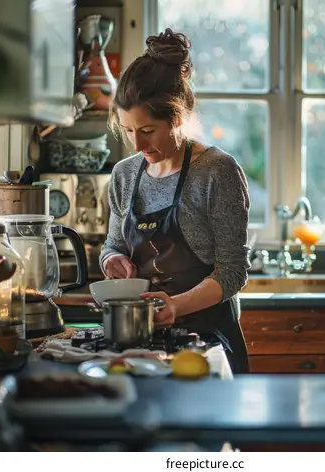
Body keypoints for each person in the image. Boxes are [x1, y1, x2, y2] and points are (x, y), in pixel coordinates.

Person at [99, 28, 251, 374]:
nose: (136, 145)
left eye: (148, 131)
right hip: (141, 346)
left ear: (177, 118)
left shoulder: (217, 172)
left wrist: (176, 306)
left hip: (208, 345)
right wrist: (113, 260)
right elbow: (113, 244)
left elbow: (233, 270)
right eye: (127, 130)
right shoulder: (124, 175)